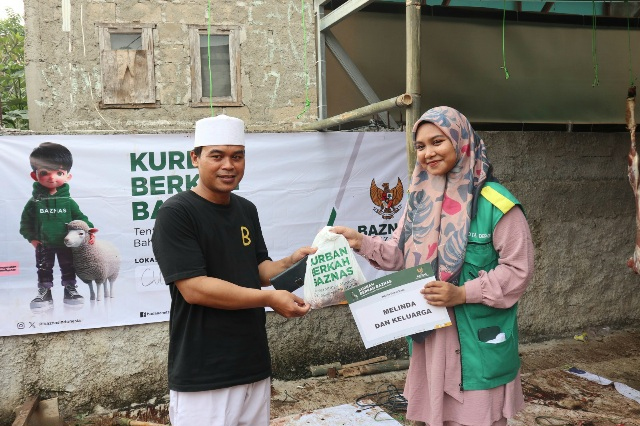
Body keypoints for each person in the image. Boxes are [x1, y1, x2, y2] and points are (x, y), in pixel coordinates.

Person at [332, 106, 534, 426]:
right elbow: (399, 255)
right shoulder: (419, 202)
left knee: (479, 418)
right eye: (421, 146)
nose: (428, 153)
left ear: (461, 141)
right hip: (432, 337)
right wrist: (360, 242)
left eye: (437, 142)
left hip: (474, 342)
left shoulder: (496, 204)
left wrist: (462, 293)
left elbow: (518, 270)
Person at [151, 114, 314, 426]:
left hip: (252, 361)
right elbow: (194, 288)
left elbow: (258, 269)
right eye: (217, 156)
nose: (228, 165)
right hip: (205, 370)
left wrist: (290, 261)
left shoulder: (245, 209)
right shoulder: (177, 212)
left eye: (237, 156)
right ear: (195, 158)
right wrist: (269, 299)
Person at [19, 142, 93, 310]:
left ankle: (70, 289)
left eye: (59, 172)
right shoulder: (34, 203)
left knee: (69, 266)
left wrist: (89, 231)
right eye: (45, 173)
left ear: (68, 176)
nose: (52, 177)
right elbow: (25, 223)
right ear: (34, 175)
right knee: (43, 268)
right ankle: (45, 292)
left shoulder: (68, 202)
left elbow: (81, 218)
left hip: (67, 243)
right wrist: (32, 239)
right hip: (43, 244)